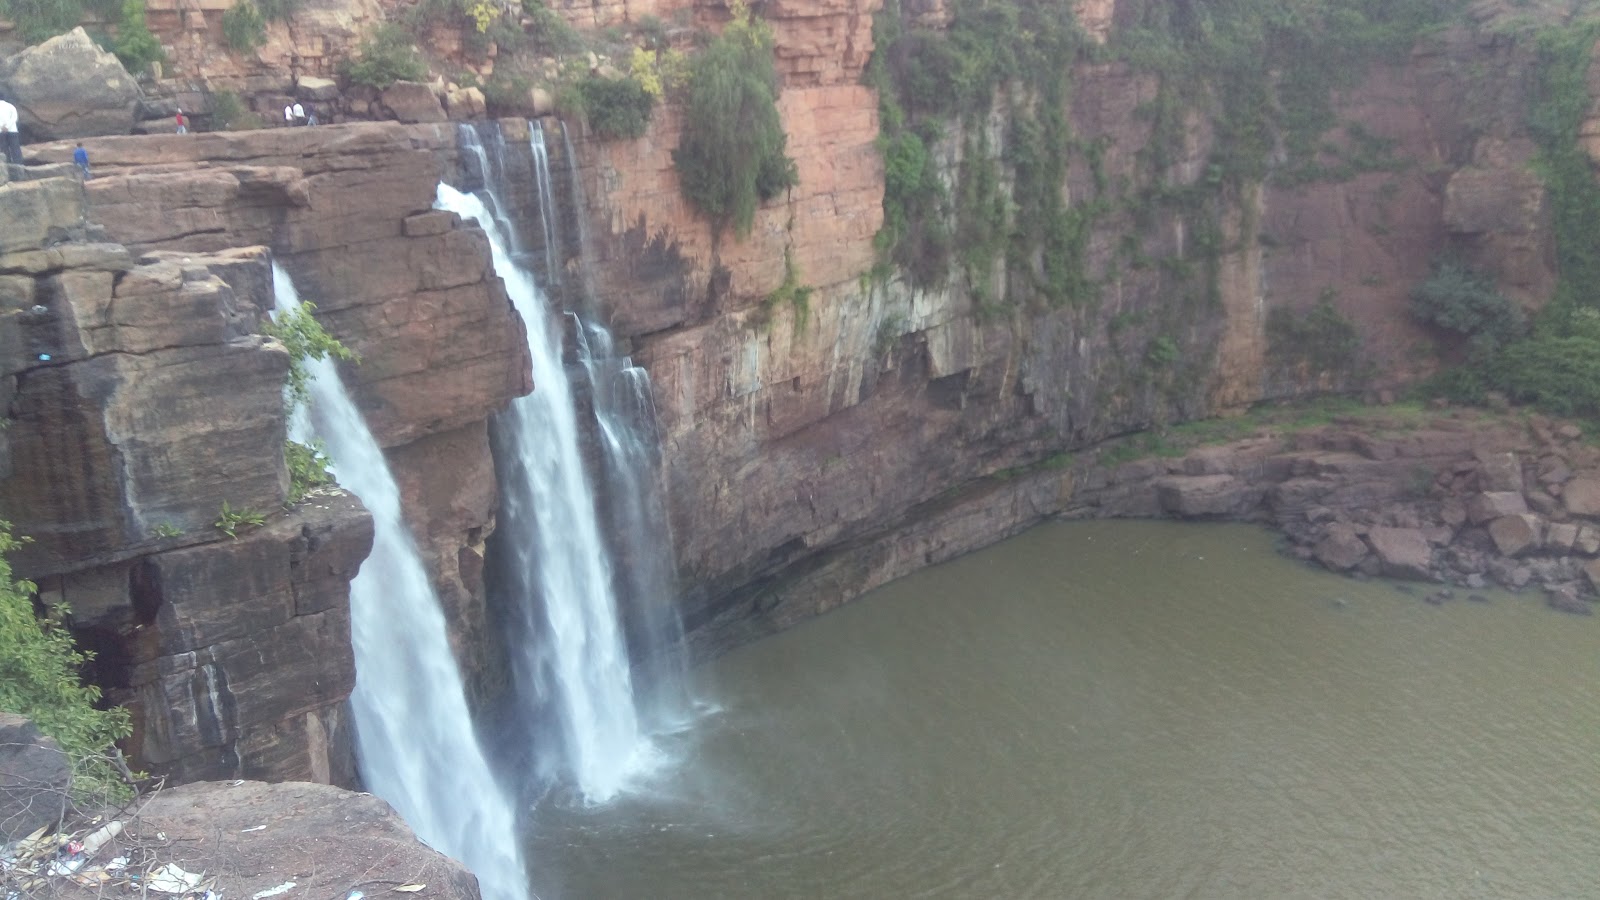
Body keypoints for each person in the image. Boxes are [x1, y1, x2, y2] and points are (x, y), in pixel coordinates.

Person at [0, 94, 21, 165]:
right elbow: (15, 117)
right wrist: (7, 126)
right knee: (15, 149)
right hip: (12, 130)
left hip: (1, 131)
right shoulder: (10, 106)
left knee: (4, 149)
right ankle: (19, 164)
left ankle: (7, 165)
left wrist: (2, 127)